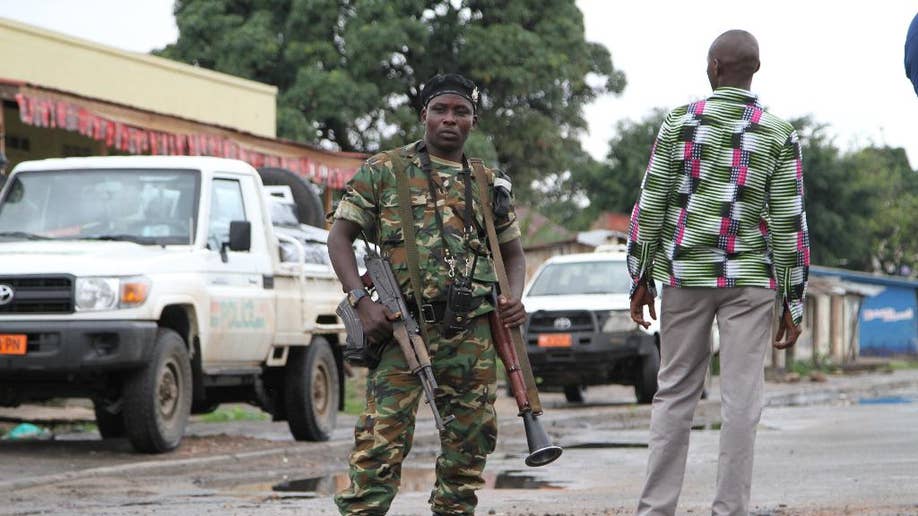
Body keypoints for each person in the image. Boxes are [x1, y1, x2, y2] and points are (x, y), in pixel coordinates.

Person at [627, 30, 809, 516]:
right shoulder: (776, 132)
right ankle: (730, 510)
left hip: (686, 275)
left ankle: (655, 509)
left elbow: (652, 204)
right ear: (755, 70)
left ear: (713, 67)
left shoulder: (680, 122)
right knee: (742, 400)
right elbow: (790, 221)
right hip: (750, 281)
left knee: (674, 393)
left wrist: (640, 276)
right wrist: (793, 299)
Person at [328, 73, 527, 515]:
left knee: (470, 442)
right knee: (380, 441)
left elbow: (513, 253)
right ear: (424, 116)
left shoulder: (488, 180)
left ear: (473, 121)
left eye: (461, 112)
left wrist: (513, 297)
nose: (449, 120)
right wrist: (361, 301)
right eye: (440, 110)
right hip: (403, 328)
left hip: (471, 331)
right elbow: (339, 238)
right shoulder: (384, 170)